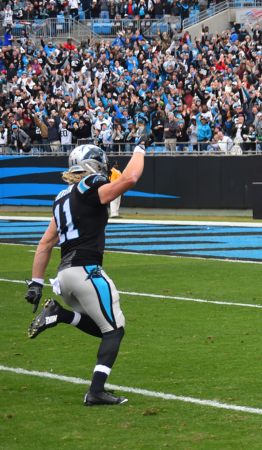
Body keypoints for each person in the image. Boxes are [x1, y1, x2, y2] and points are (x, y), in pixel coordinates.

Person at [25, 133, 154, 407]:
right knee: (115, 330)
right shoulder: (90, 184)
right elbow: (130, 179)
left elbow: (45, 243)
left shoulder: (62, 198)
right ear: (92, 165)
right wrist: (140, 147)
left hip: (64, 277)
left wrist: (36, 283)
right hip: (86, 271)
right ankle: (96, 391)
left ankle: (61, 314)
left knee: (104, 328)